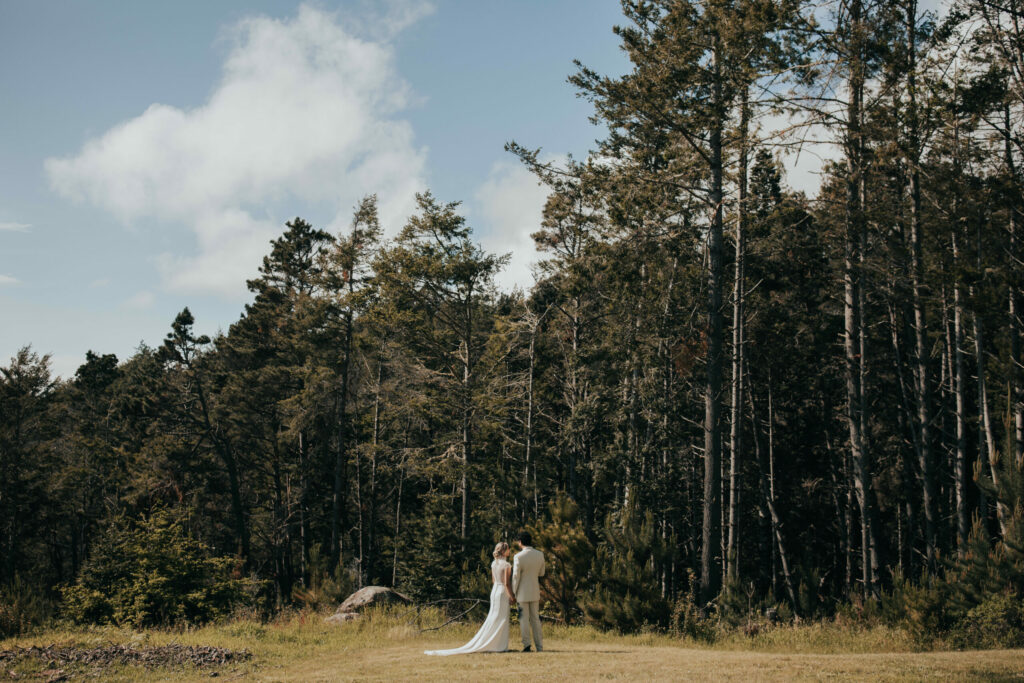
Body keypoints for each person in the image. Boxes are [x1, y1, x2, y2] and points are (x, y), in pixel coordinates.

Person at [424, 542, 516, 655]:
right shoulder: (506, 565)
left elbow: (494, 581)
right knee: (501, 618)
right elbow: (507, 583)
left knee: (494, 617)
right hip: (502, 592)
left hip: (494, 591)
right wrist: (512, 596)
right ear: (503, 551)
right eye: (508, 549)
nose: (509, 551)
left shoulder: (494, 563)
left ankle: (495, 644)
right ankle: (500, 645)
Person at [512, 531, 545, 652]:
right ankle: (539, 646)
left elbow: (516, 577)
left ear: (520, 542)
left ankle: (526, 645)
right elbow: (542, 573)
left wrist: (513, 592)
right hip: (534, 590)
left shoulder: (518, 556)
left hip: (522, 592)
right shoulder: (540, 554)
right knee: (535, 619)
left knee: (524, 620)